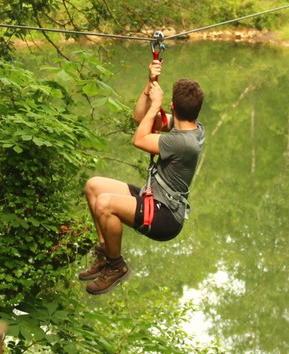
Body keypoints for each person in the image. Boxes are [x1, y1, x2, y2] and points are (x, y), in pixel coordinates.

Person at [79, 58, 205, 295]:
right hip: (152, 197)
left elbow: (138, 139)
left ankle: (116, 266)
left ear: (173, 106)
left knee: (105, 204)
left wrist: (156, 105)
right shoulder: (191, 127)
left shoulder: (182, 142)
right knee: (94, 186)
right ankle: (105, 254)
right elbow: (140, 119)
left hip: (166, 217)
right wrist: (149, 85)